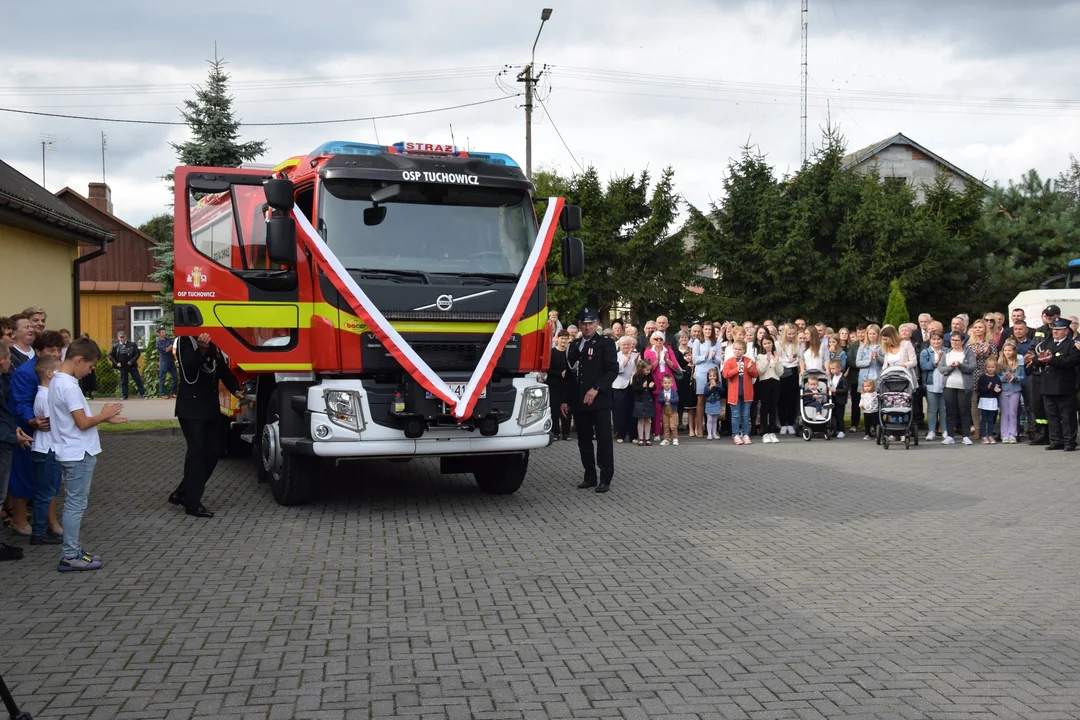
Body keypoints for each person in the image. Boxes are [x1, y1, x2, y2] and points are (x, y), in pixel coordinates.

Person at [50, 338, 126, 571]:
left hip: (71, 450)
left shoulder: (57, 380)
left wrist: (103, 418)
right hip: (78, 452)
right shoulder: (69, 386)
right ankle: (70, 554)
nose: (90, 371)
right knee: (76, 505)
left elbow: (76, 420)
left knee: (75, 503)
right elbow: (82, 423)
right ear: (78, 360)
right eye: (90, 367)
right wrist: (103, 415)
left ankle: (74, 549)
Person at [170, 333, 243, 516]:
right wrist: (201, 351)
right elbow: (188, 371)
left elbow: (223, 370)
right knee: (197, 453)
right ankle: (192, 504)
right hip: (191, 408)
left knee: (213, 451)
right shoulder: (185, 341)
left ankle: (181, 493)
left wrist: (236, 390)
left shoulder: (213, 343)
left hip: (210, 408)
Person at [9, 331, 66, 539]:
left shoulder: (59, 371)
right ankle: (19, 519)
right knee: (24, 476)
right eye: (51, 350)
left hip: (50, 436)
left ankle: (50, 520)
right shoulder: (25, 372)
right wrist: (31, 420)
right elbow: (20, 401)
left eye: (59, 349)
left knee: (50, 479)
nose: (57, 354)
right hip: (27, 432)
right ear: (39, 351)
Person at [565, 309, 618, 493]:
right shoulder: (574, 344)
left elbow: (612, 370)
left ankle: (605, 478)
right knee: (584, 441)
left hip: (600, 400)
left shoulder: (605, 343)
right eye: (584, 323)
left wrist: (596, 388)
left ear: (596, 324)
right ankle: (589, 476)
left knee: (603, 440)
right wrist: (566, 399)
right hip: (579, 401)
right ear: (580, 324)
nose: (587, 327)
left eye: (590, 323)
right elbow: (570, 374)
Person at [0, 343, 34, 561]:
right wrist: (12, 437)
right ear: (2, 361)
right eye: (8, 361)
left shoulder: (3, 381)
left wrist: (14, 429)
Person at [29, 356, 63, 545]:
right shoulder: (46, 396)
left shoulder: (45, 394)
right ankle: (39, 532)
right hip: (47, 450)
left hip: (45, 448)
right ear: (50, 374)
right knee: (45, 493)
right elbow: (56, 421)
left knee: (46, 491)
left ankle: (40, 529)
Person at [1035, 318, 1079, 451]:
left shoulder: (1072, 345)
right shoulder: (1046, 344)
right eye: (1054, 329)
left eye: (1059, 330)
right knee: (1052, 415)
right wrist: (1039, 359)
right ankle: (1056, 440)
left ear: (1066, 331)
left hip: (1064, 385)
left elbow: (1071, 361)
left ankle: (1069, 441)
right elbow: (1037, 361)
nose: (1055, 332)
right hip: (1048, 385)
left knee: (1067, 415)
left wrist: (1052, 359)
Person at [1027, 306, 1059, 445]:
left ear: (1057, 315)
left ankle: (1055, 436)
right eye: (1046, 315)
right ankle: (1042, 434)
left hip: (1051, 373)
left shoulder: (1061, 331)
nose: (1048, 317)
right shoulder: (1039, 330)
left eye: (1051, 315)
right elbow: (1033, 348)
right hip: (1037, 373)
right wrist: (1030, 356)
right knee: (1037, 405)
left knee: (1051, 407)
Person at [938, 332, 976, 446]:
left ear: (962, 341)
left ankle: (966, 436)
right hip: (949, 385)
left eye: (957, 340)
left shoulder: (968, 352)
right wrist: (951, 367)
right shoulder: (946, 353)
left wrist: (960, 365)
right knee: (950, 411)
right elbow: (941, 368)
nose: (954, 342)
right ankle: (950, 436)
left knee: (964, 410)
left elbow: (972, 367)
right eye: (952, 340)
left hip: (964, 386)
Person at [644, 331, 679, 442]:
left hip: (668, 381)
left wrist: (666, 359)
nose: (658, 341)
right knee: (658, 409)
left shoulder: (668, 350)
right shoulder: (648, 352)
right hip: (656, 381)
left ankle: (667, 433)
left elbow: (675, 367)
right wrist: (658, 360)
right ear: (652, 340)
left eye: (661, 339)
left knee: (669, 408)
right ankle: (657, 432)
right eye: (656, 339)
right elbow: (649, 369)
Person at [722, 340, 759, 445]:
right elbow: (725, 374)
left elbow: (755, 374)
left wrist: (751, 369)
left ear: (744, 350)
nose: (737, 351)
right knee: (735, 414)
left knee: (746, 415)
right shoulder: (729, 361)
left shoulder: (749, 361)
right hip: (734, 393)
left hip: (746, 392)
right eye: (735, 349)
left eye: (740, 349)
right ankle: (735, 434)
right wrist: (736, 369)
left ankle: (745, 434)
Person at [692, 322, 720, 439]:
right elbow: (694, 359)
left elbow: (719, 360)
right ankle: (699, 427)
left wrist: (714, 357)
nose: (708, 331)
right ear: (703, 330)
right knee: (701, 401)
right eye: (706, 329)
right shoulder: (698, 342)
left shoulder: (716, 342)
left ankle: (713, 430)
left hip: (713, 372)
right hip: (702, 373)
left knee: (714, 400)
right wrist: (704, 356)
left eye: (710, 329)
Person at [755, 335, 783, 443]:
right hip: (764, 382)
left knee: (773, 407)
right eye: (765, 343)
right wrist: (767, 360)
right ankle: (765, 432)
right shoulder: (760, 356)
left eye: (769, 343)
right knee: (764, 407)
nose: (767, 345)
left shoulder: (777, 355)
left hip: (775, 382)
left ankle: (772, 432)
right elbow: (760, 371)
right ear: (762, 345)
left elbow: (780, 372)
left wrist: (776, 361)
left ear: (772, 343)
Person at [920, 332, 947, 440]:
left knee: (944, 409)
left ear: (942, 340)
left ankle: (945, 430)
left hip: (944, 383)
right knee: (932, 409)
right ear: (930, 340)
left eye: (938, 339)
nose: (936, 342)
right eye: (934, 339)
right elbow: (923, 366)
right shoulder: (925, 352)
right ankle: (931, 431)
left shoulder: (946, 351)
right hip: (931, 383)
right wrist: (935, 361)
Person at [997, 341, 1025, 444]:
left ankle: (1013, 434)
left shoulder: (1018, 363)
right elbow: (998, 376)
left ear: (1014, 351)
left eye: (1010, 350)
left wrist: (1015, 377)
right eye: (1005, 350)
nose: (1007, 352)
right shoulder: (1001, 363)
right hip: (1004, 390)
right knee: (1004, 413)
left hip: (1015, 390)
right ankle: (1004, 435)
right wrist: (1004, 377)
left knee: (1013, 413)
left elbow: (1023, 376)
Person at [547, 330, 572, 441]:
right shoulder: (552, 352)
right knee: (554, 409)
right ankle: (555, 432)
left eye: (566, 339)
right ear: (557, 339)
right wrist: (559, 373)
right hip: (554, 384)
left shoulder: (570, 353)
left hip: (567, 385)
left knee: (567, 409)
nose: (563, 341)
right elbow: (547, 369)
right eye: (562, 338)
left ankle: (566, 433)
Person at [611, 335, 637, 444]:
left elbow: (639, 370)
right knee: (619, 411)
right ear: (620, 346)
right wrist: (626, 360)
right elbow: (616, 369)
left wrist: (635, 362)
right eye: (624, 344)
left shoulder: (636, 355)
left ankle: (633, 435)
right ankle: (620, 434)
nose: (626, 346)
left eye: (628, 344)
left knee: (632, 411)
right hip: (619, 386)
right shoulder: (616, 356)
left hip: (633, 386)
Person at [109, 331, 145, 400]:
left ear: (125, 337)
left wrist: (132, 361)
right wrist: (116, 363)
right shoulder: (116, 346)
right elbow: (110, 355)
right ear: (118, 338)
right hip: (122, 365)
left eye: (123, 337)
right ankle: (125, 395)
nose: (122, 339)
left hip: (131, 365)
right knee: (124, 381)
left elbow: (137, 353)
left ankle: (142, 394)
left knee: (137, 379)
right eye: (120, 337)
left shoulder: (132, 344)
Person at [630, 358, 656, 446]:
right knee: (641, 420)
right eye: (647, 370)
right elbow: (633, 388)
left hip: (648, 399)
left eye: (650, 370)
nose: (649, 371)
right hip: (640, 400)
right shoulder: (636, 376)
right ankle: (641, 438)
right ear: (642, 369)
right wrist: (642, 387)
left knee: (648, 419)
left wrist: (652, 386)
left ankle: (647, 438)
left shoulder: (650, 376)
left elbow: (653, 388)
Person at [976, 357, 1002, 444]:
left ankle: (990, 435)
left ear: (996, 368)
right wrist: (987, 388)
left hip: (993, 400)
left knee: (991, 419)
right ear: (986, 367)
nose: (990, 369)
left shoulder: (997, 378)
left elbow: (999, 388)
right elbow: (980, 390)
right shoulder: (983, 378)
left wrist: (998, 390)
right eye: (989, 367)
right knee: (984, 419)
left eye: (993, 367)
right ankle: (983, 436)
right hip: (984, 400)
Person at [826, 359, 849, 438]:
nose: (831, 370)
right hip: (833, 399)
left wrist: (836, 390)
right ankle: (834, 430)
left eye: (833, 369)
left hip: (840, 400)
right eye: (830, 369)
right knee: (833, 415)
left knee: (840, 416)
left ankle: (842, 431)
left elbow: (845, 390)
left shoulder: (844, 379)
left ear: (839, 368)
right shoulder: (832, 377)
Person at [658, 375, 680, 446]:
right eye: (665, 383)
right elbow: (659, 400)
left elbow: (677, 400)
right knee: (666, 425)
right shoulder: (661, 392)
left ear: (672, 384)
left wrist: (670, 400)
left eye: (668, 383)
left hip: (673, 411)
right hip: (665, 411)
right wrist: (663, 400)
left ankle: (675, 438)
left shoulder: (674, 392)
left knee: (673, 425)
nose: (667, 385)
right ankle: (666, 439)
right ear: (662, 384)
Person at [156, 327, 178, 399]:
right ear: (159, 334)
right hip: (164, 361)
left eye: (164, 332)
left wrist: (170, 347)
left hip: (171, 360)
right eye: (162, 332)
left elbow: (173, 346)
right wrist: (170, 346)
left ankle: (173, 392)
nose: (164, 333)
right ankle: (163, 393)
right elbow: (166, 350)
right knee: (162, 378)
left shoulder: (168, 339)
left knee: (174, 377)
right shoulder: (158, 342)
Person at [703, 367, 724, 440]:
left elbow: (722, 391)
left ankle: (714, 433)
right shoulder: (706, 385)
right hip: (709, 403)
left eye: (714, 376)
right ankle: (709, 434)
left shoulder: (719, 384)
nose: (712, 377)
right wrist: (710, 388)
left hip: (716, 402)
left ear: (717, 376)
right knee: (709, 419)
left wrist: (716, 386)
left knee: (715, 420)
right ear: (708, 377)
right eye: (710, 376)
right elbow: (705, 394)